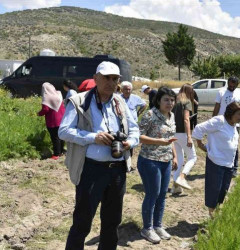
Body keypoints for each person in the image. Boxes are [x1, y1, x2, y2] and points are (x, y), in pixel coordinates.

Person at [58, 61, 139, 249]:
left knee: (112, 223)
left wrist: (130, 142)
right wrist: (93, 137)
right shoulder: (79, 101)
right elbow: (63, 131)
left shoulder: (120, 102)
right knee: (82, 222)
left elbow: (134, 130)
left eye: (115, 79)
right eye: (106, 78)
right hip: (91, 170)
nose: (111, 82)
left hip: (117, 171)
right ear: (95, 78)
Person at [137, 86, 178, 244]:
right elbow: (138, 136)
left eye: (172, 100)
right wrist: (159, 142)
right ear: (158, 100)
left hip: (165, 160)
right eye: (166, 100)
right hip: (149, 160)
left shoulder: (171, 116)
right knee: (152, 194)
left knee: (162, 195)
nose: (170, 103)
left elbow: (170, 137)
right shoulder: (150, 115)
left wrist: (174, 156)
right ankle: (147, 228)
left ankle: (157, 225)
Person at [193, 102, 240, 218]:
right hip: (216, 161)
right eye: (239, 114)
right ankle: (212, 215)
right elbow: (199, 128)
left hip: (228, 163)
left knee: (223, 190)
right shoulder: (219, 121)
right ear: (231, 113)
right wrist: (201, 145)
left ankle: (216, 211)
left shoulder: (234, 125)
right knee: (214, 189)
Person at [212, 76, 240, 177]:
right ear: (228, 83)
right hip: (222, 123)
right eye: (230, 84)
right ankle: (221, 166)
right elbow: (217, 107)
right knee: (221, 145)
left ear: (237, 85)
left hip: (235, 124)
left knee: (233, 146)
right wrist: (213, 121)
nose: (231, 86)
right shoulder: (221, 92)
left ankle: (234, 168)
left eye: (234, 85)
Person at [171, 84, 198, 194]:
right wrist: (189, 137)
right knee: (192, 157)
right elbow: (186, 120)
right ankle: (182, 177)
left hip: (172, 133)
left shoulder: (174, 101)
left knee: (180, 160)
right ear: (190, 92)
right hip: (182, 133)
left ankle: (175, 187)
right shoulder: (186, 101)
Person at [38, 82, 66, 160]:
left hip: (53, 120)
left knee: (55, 137)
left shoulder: (47, 97)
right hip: (62, 118)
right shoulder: (58, 94)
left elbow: (45, 109)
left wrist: (39, 113)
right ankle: (62, 151)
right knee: (61, 136)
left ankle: (56, 154)